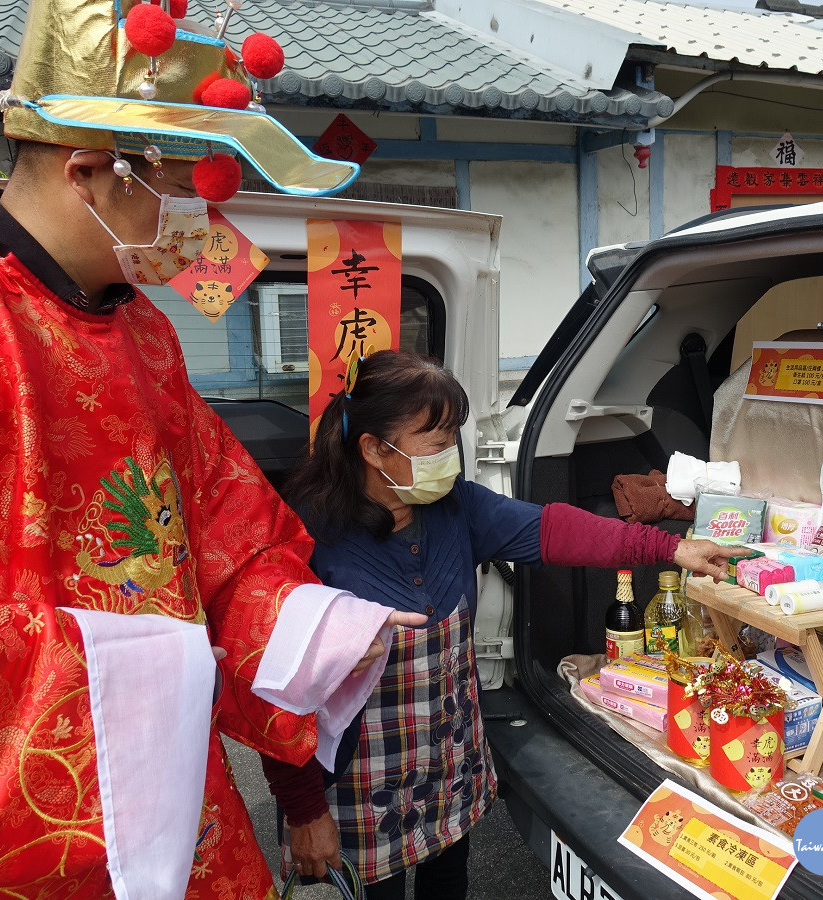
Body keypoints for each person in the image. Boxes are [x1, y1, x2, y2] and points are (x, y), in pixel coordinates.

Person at [0, 1, 423, 896]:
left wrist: (317, 628)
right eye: (188, 187)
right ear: (92, 170)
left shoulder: (143, 336)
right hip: (12, 838)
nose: (202, 227)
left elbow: (223, 526)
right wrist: (141, 662)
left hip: (174, 794)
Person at [262, 350, 733, 899]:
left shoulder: (454, 506)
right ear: (372, 449)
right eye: (433, 442)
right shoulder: (305, 535)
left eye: (451, 439)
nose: (448, 456)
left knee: (447, 883)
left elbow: (555, 532)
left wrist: (671, 547)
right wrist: (303, 810)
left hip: (448, 762)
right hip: (359, 781)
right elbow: (280, 694)